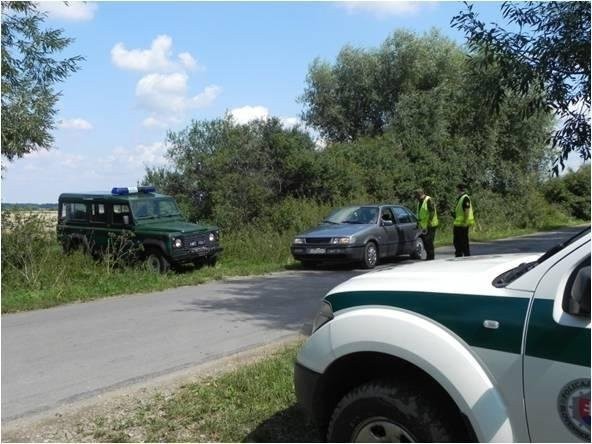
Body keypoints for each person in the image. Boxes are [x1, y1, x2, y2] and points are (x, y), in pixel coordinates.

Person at [415, 188, 438, 260]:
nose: (416, 198)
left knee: (429, 242)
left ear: (420, 194)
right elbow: (420, 214)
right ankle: (429, 257)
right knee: (425, 242)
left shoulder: (429, 200)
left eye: (416, 196)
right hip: (423, 226)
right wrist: (418, 223)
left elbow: (432, 212)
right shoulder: (420, 202)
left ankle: (431, 258)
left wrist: (429, 222)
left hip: (430, 225)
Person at [453, 183, 475, 257]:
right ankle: (459, 255)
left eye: (456, 189)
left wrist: (465, 222)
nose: (455, 190)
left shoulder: (465, 198)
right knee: (457, 242)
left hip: (463, 224)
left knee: (463, 242)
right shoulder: (460, 198)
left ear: (458, 189)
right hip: (459, 223)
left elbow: (467, 210)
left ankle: (466, 256)